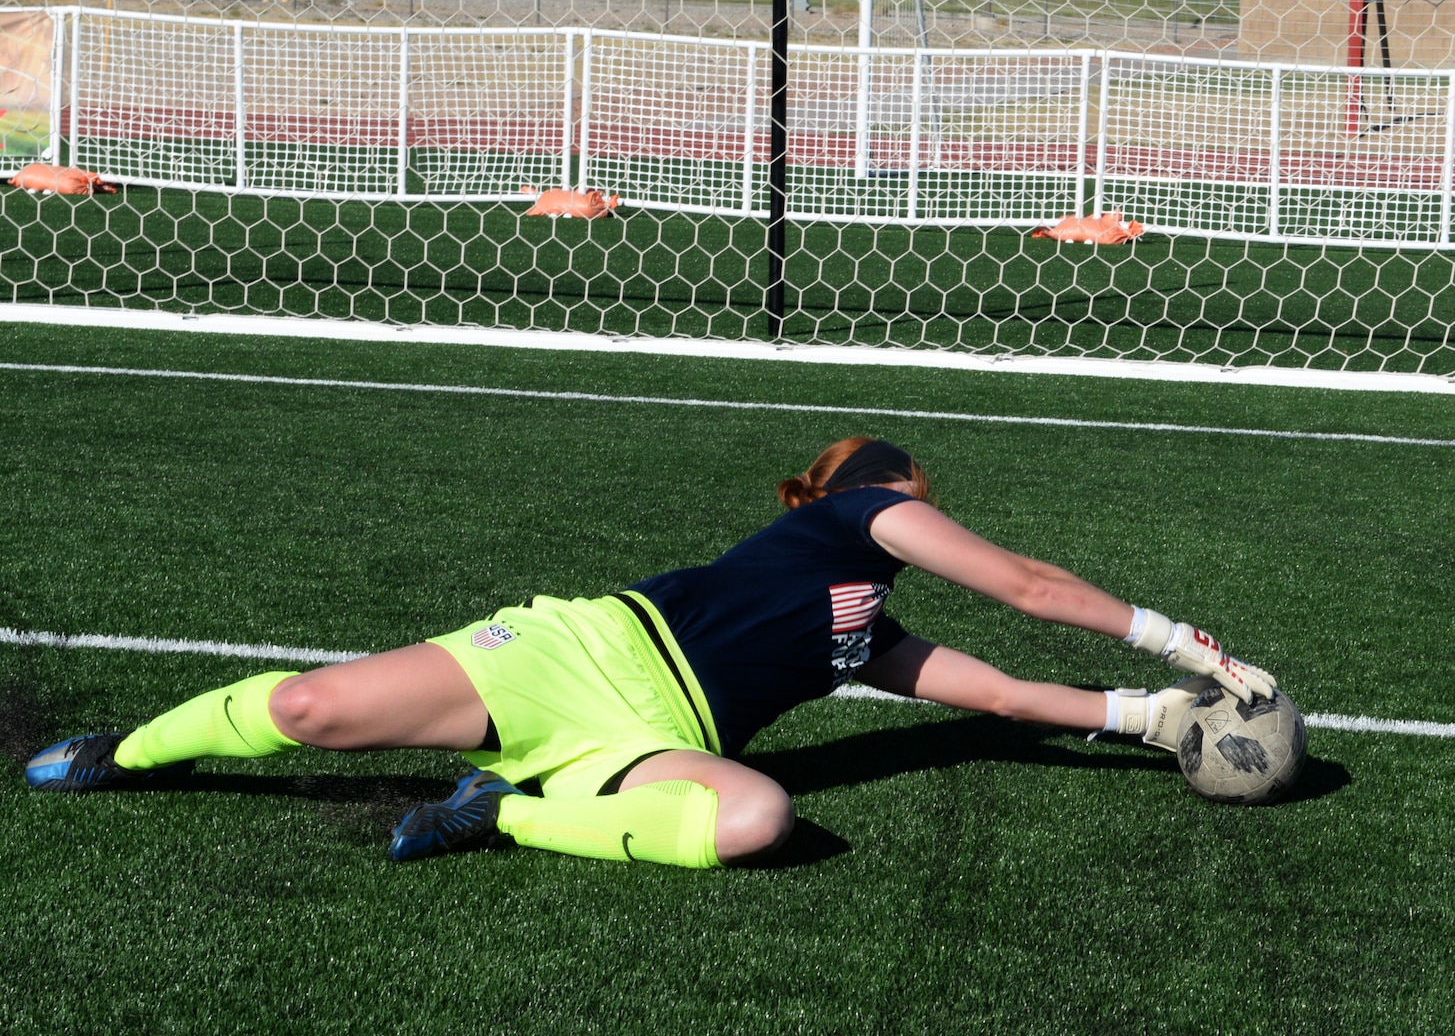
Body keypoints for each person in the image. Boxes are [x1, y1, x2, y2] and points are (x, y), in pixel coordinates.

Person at [25, 437, 1276, 868]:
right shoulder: (851, 509)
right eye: (917, 498)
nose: (922, 516)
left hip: (644, 744)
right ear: (868, 494)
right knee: (307, 709)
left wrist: (1152, 716)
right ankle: (125, 753)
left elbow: (997, 693)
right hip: (568, 653)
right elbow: (1025, 586)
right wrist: (1185, 640)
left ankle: (502, 816)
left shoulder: (861, 632)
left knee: (756, 820)